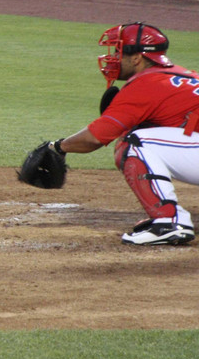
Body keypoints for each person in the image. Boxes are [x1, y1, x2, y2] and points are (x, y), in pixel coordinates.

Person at [36, 22, 198, 245]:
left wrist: (57, 147)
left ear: (136, 58)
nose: (112, 58)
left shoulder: (146, 83)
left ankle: (168, 222)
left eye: (118, 52)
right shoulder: (182, 76)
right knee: (146, 135)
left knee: (134, 142)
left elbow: (95, 138)